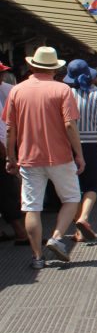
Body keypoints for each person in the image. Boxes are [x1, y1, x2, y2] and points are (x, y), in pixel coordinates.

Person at [2, 47, 85, 268]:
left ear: (31, 66)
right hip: (60, 156)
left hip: (28, 158)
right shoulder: (62, 90)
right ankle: (57, 238)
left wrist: (10, 157)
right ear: (55, 68)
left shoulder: (17, 91)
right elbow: (70, 125)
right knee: (71, 199)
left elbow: (10, 129)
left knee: (32, 207)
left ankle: (37, 257)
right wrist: (79, 154)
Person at [65, 59, 97, 242]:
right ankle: (84, 218)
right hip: (92, 145)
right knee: (91, 185)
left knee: (72, 188)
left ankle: (78, 229)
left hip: (68, 145)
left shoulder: (65, 94)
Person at [0, 61, 28, 245]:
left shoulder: (8, 89)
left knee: (8, 189)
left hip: (5, 145)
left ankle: (20, 230)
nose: (2, 77)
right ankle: (20, 231)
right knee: (7, 190)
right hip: (1, 149)